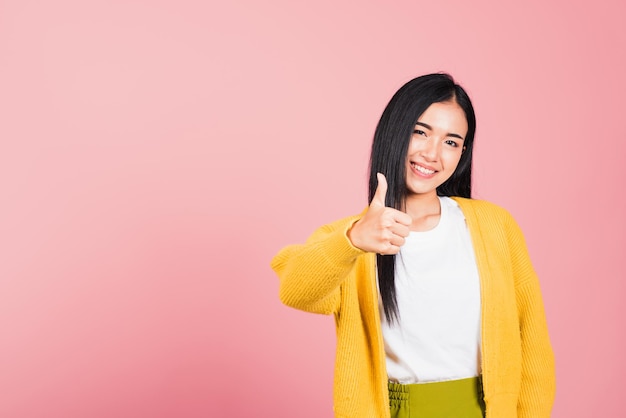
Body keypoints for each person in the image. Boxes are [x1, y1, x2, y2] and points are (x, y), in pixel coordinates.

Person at [271, 73, 555, 418]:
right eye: (420, 132)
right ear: (395, 132)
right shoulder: (353, 238)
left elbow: (533, 340)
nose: (432, 153)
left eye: (451, 142)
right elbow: (296, 290)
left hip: (484, 408)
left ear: (462, 153)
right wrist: (352, 241)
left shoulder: (495, 225)